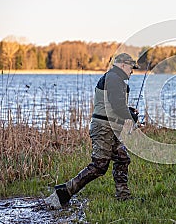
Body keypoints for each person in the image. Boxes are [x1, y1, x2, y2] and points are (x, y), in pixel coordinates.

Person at [47, 53, 140, 207]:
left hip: (110, 127)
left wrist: (130, 113)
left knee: (123, 158)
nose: (132, 71)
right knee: (99, 166)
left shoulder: (115, 80)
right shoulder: (113, 78)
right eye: (131, 67)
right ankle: (64, 192)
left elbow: (112, 105)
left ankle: (123, 196)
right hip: (103, 128)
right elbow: (116, 105)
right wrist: (129, 116)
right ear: (123, 65)